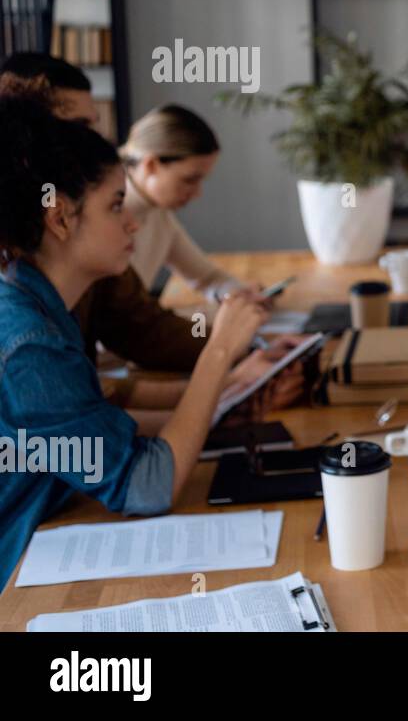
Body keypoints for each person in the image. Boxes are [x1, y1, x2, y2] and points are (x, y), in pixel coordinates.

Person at [0, 94, 268, 587]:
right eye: (116, 206)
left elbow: (100, 426)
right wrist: (221, 350)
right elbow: (150, 484)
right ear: (59, 218)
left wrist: (222, 401)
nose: (132, 223)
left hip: (53, 524)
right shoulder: (29, 341)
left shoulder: (36, 306)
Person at [0, 53, 304, 413]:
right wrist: (225, 361)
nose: (131, 224)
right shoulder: (22, 313)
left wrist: (236, 365)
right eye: (78, 128)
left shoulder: (75, 249)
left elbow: (126, 348)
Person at [119, 104, 257, 301]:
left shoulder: (157, 213)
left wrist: (236, 293)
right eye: (190, 180)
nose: (197, 193)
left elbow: (206, 276)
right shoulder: (106, 217)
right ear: (151, 165)